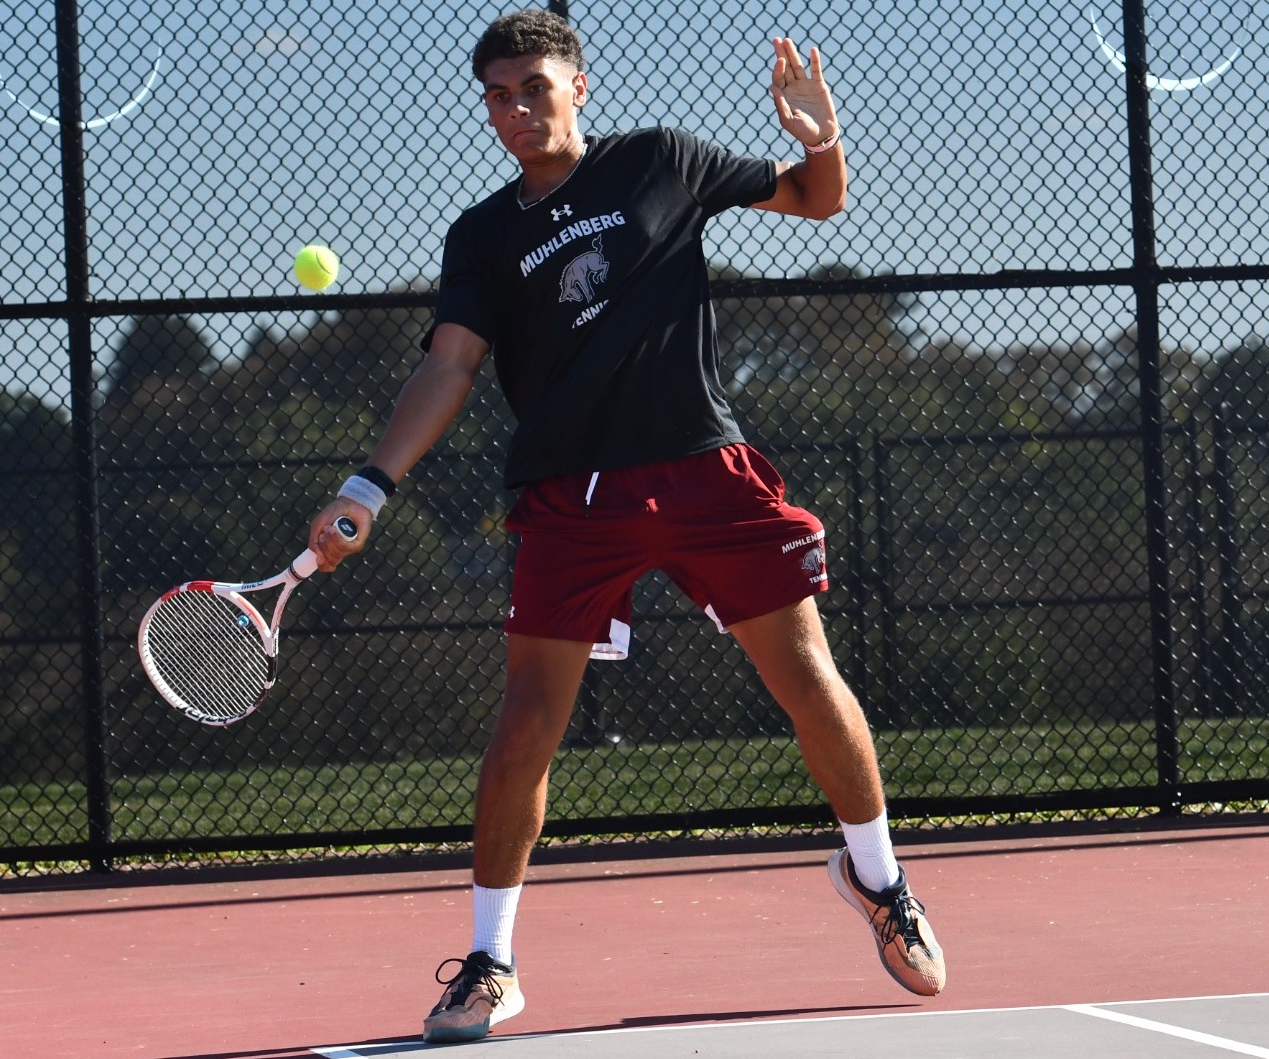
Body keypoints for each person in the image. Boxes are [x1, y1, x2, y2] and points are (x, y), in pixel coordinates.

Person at [306, 9, 945, 1044]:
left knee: (811, 686)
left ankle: (879, 884)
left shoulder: (660, 159)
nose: (515, 110)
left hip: (705, 471)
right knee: (524, 728)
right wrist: (369, 485)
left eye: (533, 88)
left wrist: (817, 137)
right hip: (571, 498)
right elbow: (449, 365)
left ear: (578, 88)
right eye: (496, 96)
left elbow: (812, 202)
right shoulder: (483, 234)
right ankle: (490, 963)